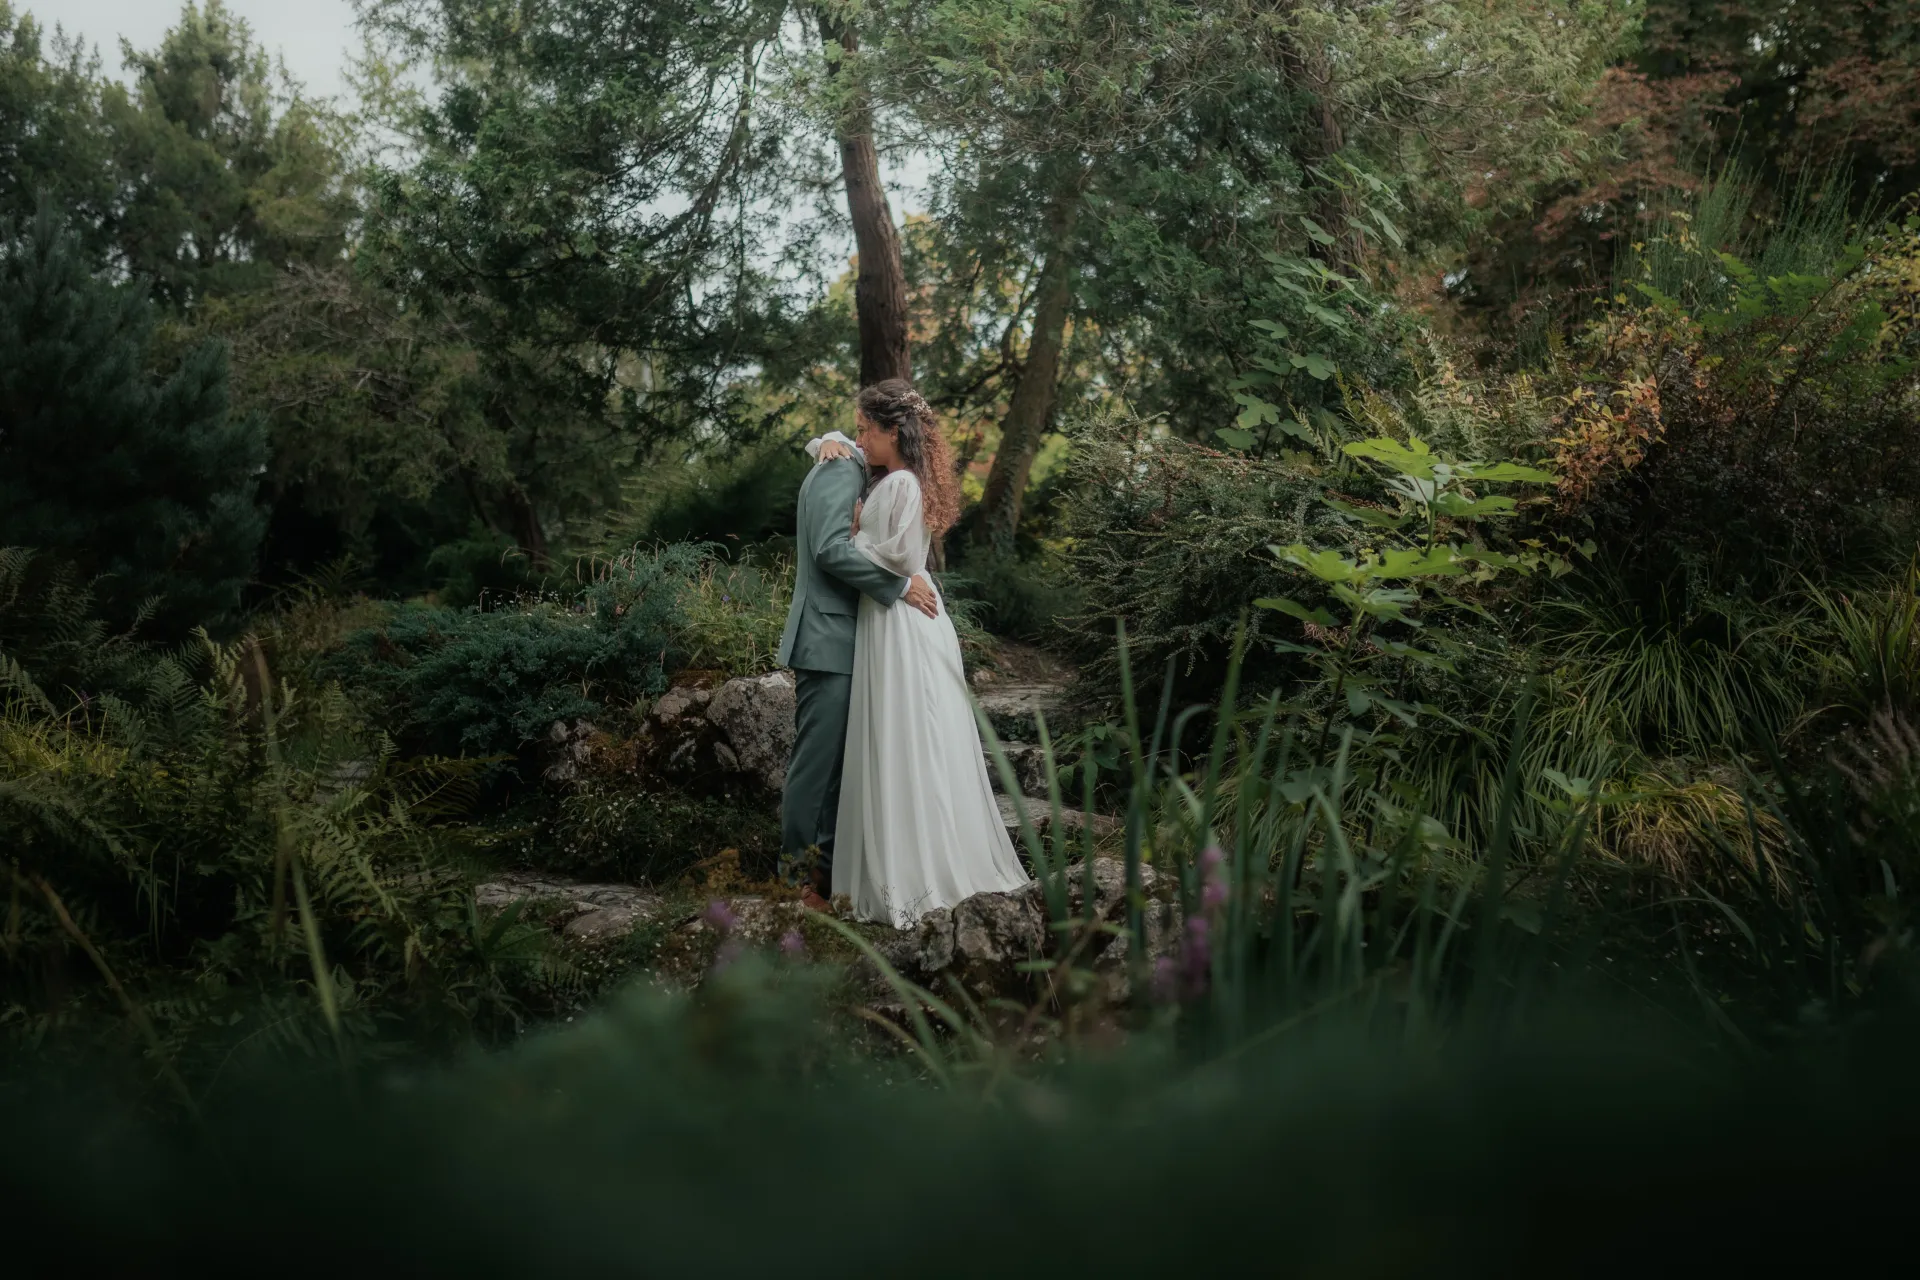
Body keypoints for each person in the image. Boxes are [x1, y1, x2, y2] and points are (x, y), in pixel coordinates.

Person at [803, 378, 1031, 927]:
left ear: (892, 431)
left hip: (901, 622)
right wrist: (827, 439)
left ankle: (913, 869)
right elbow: (836, 453)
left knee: (907, 739)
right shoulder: (890, 474)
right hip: (889, 618)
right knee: (895, 738)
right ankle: (888, 864)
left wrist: (853, 534)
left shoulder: (902, 483)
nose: (859, 439)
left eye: (865, 430)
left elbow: (903, 559)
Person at [776, 402, 941, 908]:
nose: (859, 437)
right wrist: (899, 587)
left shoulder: (862, 466)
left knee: (842, 772)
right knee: (816, 768)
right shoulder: (840, 465)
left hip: (855, 640)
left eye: (865, 428)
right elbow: (829, 548)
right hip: (827, 638)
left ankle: (828, 879)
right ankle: (793, 882)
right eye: (857, 430)